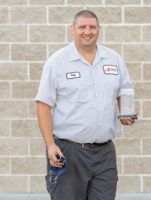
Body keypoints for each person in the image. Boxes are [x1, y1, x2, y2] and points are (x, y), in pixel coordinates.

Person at [36, 10, 135, 200]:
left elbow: (124, 91)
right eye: (82, 27)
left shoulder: (114, 59)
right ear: (72, 29)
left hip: (105, 153)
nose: (87, 32)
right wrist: (50, 145)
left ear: (99, 29)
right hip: (69, 151)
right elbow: (43, 105)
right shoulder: (57, 62)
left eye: (92, 27)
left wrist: (126, 112)